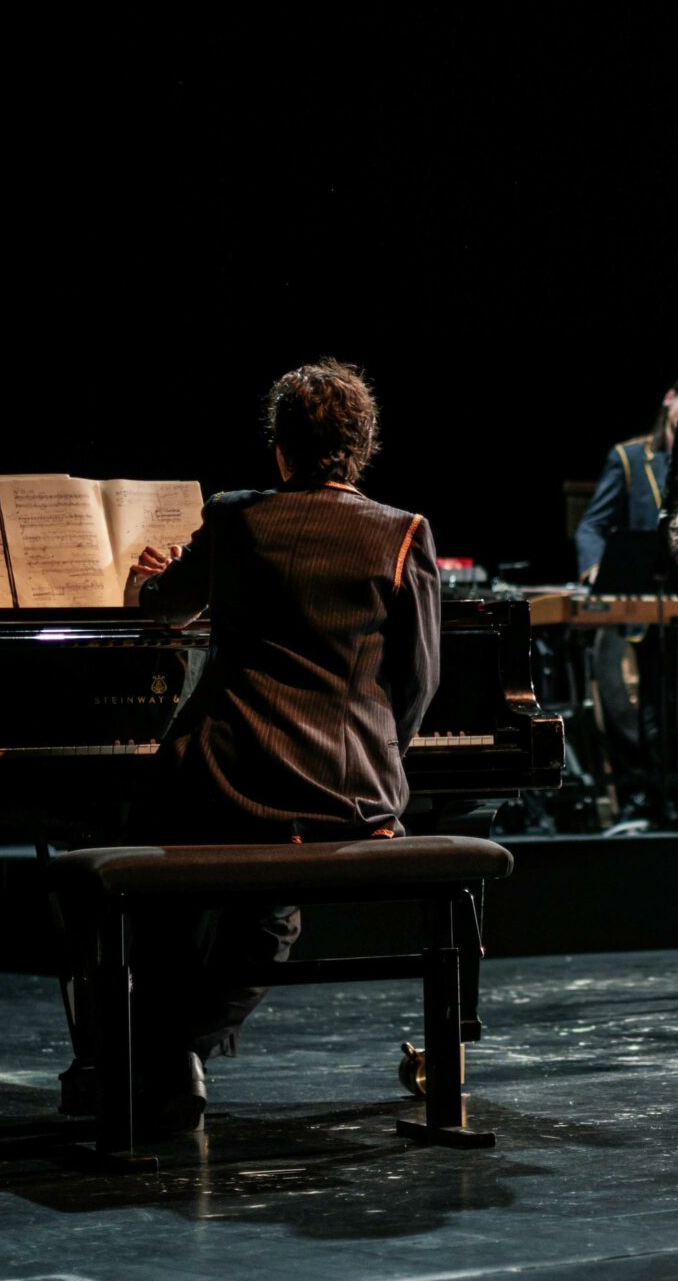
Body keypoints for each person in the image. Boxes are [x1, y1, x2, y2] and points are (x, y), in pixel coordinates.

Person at [94, 358, 441, 1135]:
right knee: (270, 918)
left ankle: (150, 1053)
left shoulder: (237, 518)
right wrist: (379, 763)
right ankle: (182, 1050)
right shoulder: (402, 534)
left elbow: (164, 609)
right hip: (342, 792)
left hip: (221, 776)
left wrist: (159, 575)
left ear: (280, 447)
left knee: (148, 858)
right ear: (363, 447)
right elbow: (417, 684)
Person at [573, 372, 678, 582]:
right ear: (669, 398)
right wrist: (596, 571)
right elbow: (592, 526)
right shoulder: (628, 457)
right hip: (637, 580)